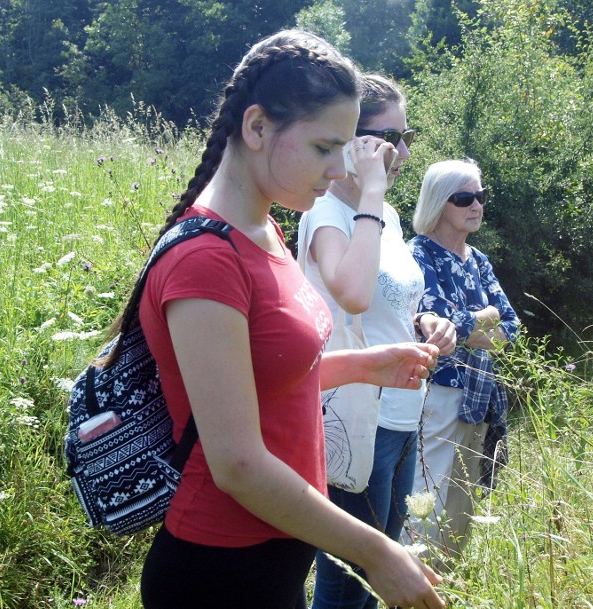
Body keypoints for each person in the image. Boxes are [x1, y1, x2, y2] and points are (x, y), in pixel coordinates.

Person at [97, 30, 445, 609]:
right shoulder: (206, 259)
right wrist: (377, 551)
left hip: (278, 550)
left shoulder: (264, 229)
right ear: (257, 128)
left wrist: (362, 365)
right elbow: (236, 463)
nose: (339, 169)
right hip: (220, 569)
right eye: (324, 148)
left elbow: (263, 382)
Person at [298, 74, 456, 609]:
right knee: (349, 582)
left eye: (406, 136)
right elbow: (353, 293)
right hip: (355, 417)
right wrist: (370, 187)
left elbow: (393, 302)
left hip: (405, 408)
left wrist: (428, 322)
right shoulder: (326, 212)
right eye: (393, 139)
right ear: (356, 139)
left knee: (382, 570)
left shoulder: (383, 213)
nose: (404, 153)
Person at [405, 159, 520, 564]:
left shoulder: (479, 260)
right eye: (464, 197)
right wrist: (481, 318)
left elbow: (511, 327)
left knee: (463, 503)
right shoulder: (418, 255)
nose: (477, 205)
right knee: (426, 495)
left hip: (480, 395)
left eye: (480, 196)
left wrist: (472, 326)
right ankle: (413, 582)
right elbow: (441, 334)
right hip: (438, 393)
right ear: (439, 201)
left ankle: (446, 585)